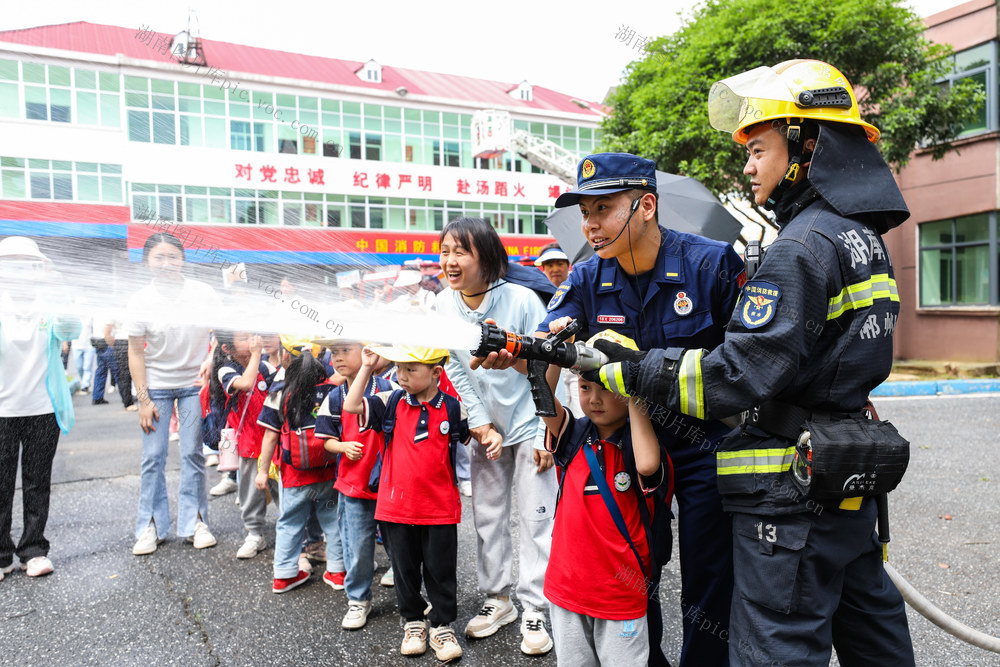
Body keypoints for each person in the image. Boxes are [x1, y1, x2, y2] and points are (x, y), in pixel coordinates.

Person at [589, 59, 915, 665]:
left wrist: (631, 370)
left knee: (776, 647)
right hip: (846, 486)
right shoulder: (862, 239)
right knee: (878, 645)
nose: (747, 166)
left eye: (758, 149)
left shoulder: (800, 247)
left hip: (788, 507)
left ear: (805, 144)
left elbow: (738, 375)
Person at [504, 152, 743, 666]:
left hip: (707, 446)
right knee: (637, 569)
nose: (590, 225)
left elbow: (747, 363)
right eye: (585, 213)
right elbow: (550, 337)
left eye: (603, 209)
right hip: (628, 448)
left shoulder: (713, 265)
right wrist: (526, 350)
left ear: (646, 206)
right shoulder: (587, 278)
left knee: (710, 572)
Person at [435, 216, 559, 656]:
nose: (450, 261)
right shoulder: (441, 305)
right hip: (488, 426)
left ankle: (535, 607)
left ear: (486, 257)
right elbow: (454, 368)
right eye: (446, 251)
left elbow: (550, 366)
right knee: (487, 515)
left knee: (536, 517)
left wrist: (549, 431)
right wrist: (480, 420)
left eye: (460, 251)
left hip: (531, 424)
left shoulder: (524, 300)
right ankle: (498, 599)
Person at [540, 330, 666, 665]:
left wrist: (633, 387)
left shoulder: (640, 443)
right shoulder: (572, 435)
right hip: (567, 590)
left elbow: (648, 465)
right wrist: (555, 352)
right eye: (585, 387)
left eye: (606, 388)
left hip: (621, 595)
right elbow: (540, 396)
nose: (593, 399)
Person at [342, 344, 470, 662]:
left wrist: (491, 437)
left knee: (441, 571)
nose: (401, 375)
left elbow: (477, 435)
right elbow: (351, 404)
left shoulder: (454, 409)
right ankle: (413, 622)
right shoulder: (391, 401)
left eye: (411, 369)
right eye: (399, 368)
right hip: (395, 507)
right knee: (404, 571)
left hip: (440, 508)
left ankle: (442, 626)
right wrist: (367, 367)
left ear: (436, 373)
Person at [128, 232, 221, 555]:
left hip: (194, 385)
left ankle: (195, 522)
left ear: (183, 259)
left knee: (193, 454)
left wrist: (210, 358)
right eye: (159, 257)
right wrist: (143, 399)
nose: (167, 263)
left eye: (173, 257)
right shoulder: (140, 300)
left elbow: (218, 334)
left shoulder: (203, 293)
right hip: (155, 386)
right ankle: (149, 526)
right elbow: (135, 353)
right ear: (148, 261)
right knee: (153, 457)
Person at [0, 236, 81, 580]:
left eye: (28, 264)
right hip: (3, 409)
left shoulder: (49, 303)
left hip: (42, 408)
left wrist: (60, 290)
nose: (20, 271)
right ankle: (2, 554)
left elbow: (70, 329)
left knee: (37, 482)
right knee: (1, 484)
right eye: (12, 264)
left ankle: (33, 549)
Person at [314, 339, 393, 630]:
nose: (337, 358)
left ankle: (409, 589)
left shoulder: (388, 388)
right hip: (353, 484)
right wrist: (343, 446)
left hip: (388, 483)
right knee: (357, 547)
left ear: (367, 351)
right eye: (333, 353)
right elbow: (325, 439)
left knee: (399, 543)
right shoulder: (334, 397)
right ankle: (358, 599)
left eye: (345, 350)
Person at [255, 339, 341, 594]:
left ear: (285, 361)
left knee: (290, 522)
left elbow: (270, 436)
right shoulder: (331, 391)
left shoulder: (279, 393)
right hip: (327, 471)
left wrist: (262, 472)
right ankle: (338, 571)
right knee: (333, 519)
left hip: (294, 474)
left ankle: (284, 575)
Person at [211, 329, 277, 559]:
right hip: (249, 442)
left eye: (252, 336)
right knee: (250, 491)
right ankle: (254, 533)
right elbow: (247, 384)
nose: (252, 341)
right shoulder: (226, 370)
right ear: (227, 349)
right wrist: (258, 354)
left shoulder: (266, 368)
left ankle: (299, 534)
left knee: (280, 489)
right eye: (244, 339)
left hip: (272, 441)